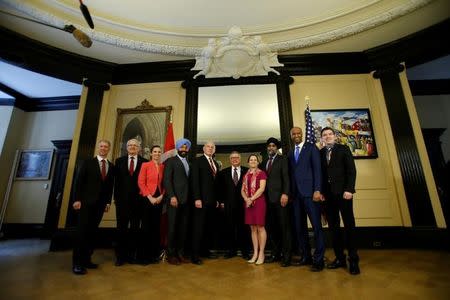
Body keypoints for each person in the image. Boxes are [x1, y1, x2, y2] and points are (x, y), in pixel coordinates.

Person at [320, 127, 359, 275]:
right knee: (334, 228)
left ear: (335, 136)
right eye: (325, 135)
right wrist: (322, 192)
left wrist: (349, 189)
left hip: (344, 194)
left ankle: (353, 260)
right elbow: (321, 175)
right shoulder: (320, 153)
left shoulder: (344, 149)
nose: (328, 136)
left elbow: (351, 171)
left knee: (349, 226)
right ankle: (340, 258)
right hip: (328, 197)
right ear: (322, 138)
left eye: (330, 134)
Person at [72, 139, 115, 275]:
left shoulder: (111, 166)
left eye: (106, 147)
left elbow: (109, 187)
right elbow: (79, 182)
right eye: (101, 146)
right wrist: (77, 199)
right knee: (82, 233)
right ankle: (77, 263)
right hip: (85, 203)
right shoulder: (87, 162)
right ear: (98, 148)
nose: (103, 148)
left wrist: (108, 202)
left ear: (108, 149)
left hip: (100, 205)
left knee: (92, 233)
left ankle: (86, 260)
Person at [288, 127, 325, 272]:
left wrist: (317, 189)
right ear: (291, 136)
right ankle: (306, 256)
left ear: (302, 134)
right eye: (294, 134)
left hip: (311, 194)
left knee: (317, 227)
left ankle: (319, 259)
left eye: (298, 133)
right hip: (296, 197)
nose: (296, 135)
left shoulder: (311, 148)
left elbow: (317, 170)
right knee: (299, 227)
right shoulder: (291, 153)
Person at [113, 139, 148, 266]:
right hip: (122, 202)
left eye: (135, 145)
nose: (132, 147)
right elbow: (116, 183)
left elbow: (145, 183)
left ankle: (132, 256)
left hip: (138, 203)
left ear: (139, 148)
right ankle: (120, 257)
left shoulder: (145, 162)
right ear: (126, 147)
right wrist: (116, 199)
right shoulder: (119, 161)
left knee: (134, 229)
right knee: (121, 229)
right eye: (130, 145)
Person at [261, 137, 293, 267]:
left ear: (277, 148)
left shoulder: (283, 159)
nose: (271, 148)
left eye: (273, 146)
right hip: (267, 201)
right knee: (271, 228)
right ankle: (275, 253)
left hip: (280, 199)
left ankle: (287, 256)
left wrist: (285, 194)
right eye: (269, 146)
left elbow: (286, 177)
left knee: (284, 228)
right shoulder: (263, 163)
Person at [163, 138, 192, 265]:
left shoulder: (190, 162)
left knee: (183, 228)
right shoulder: (171, 161)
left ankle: (180, 253)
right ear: (177, 148)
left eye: (186, 148)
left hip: (187, 201)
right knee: (172, 228)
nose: (184, 149)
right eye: (181, 147)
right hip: (174, 200)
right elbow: (167, 181)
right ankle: (171, 255)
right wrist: (172, 196)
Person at [216, 151, 250, 260]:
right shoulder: (223, 173)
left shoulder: (247, 171)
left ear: (240, 159)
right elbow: (219, 189)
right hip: (228, 205)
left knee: (244, 228)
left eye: (237, 158)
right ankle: (231, 250)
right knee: (229, 228)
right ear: (230, 160)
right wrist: (221, 201)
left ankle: (245, 251)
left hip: (244, 204)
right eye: (232, 158)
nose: (235, 159)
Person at [191, 141, 220, 265]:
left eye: (212, 147)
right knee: (198, 228)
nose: (210, 148)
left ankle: (204, 251)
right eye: (208, 146)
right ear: (204, 148)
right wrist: (197, 198)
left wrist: (217, 200)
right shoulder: (198, 161)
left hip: (212, 202)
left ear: (214, 150)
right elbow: (195, 181)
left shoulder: (216, 164)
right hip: (201, 201)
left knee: (208, 227)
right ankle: (195, 256)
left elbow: (216, 184)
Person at [138, 145, 165, 264]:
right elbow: (141, 182)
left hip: (159, 199)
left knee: (155, 227)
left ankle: (154, 255)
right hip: (146, 199)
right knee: (146, 227)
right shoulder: (145, 165)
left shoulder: (163, 166)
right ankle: (143, 256)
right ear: (151, 154)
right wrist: (150, 197)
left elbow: (166, 183)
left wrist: (161, 196)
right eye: (155, 152)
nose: (157, 154)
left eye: (159, 152)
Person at [242, 154, 267, 265]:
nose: (253, 161)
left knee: (260, 227)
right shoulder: (246, 175)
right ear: (248, 162)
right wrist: (246, 199)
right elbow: (242, 190)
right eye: (251, 160)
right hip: (248, 204)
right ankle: (255, 253)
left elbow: (262, 189)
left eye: (255, 160)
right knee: (252, 229)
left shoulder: (261, 173)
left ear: (257, 162)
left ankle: (261, 254)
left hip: (259, 203)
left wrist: (251, 199)